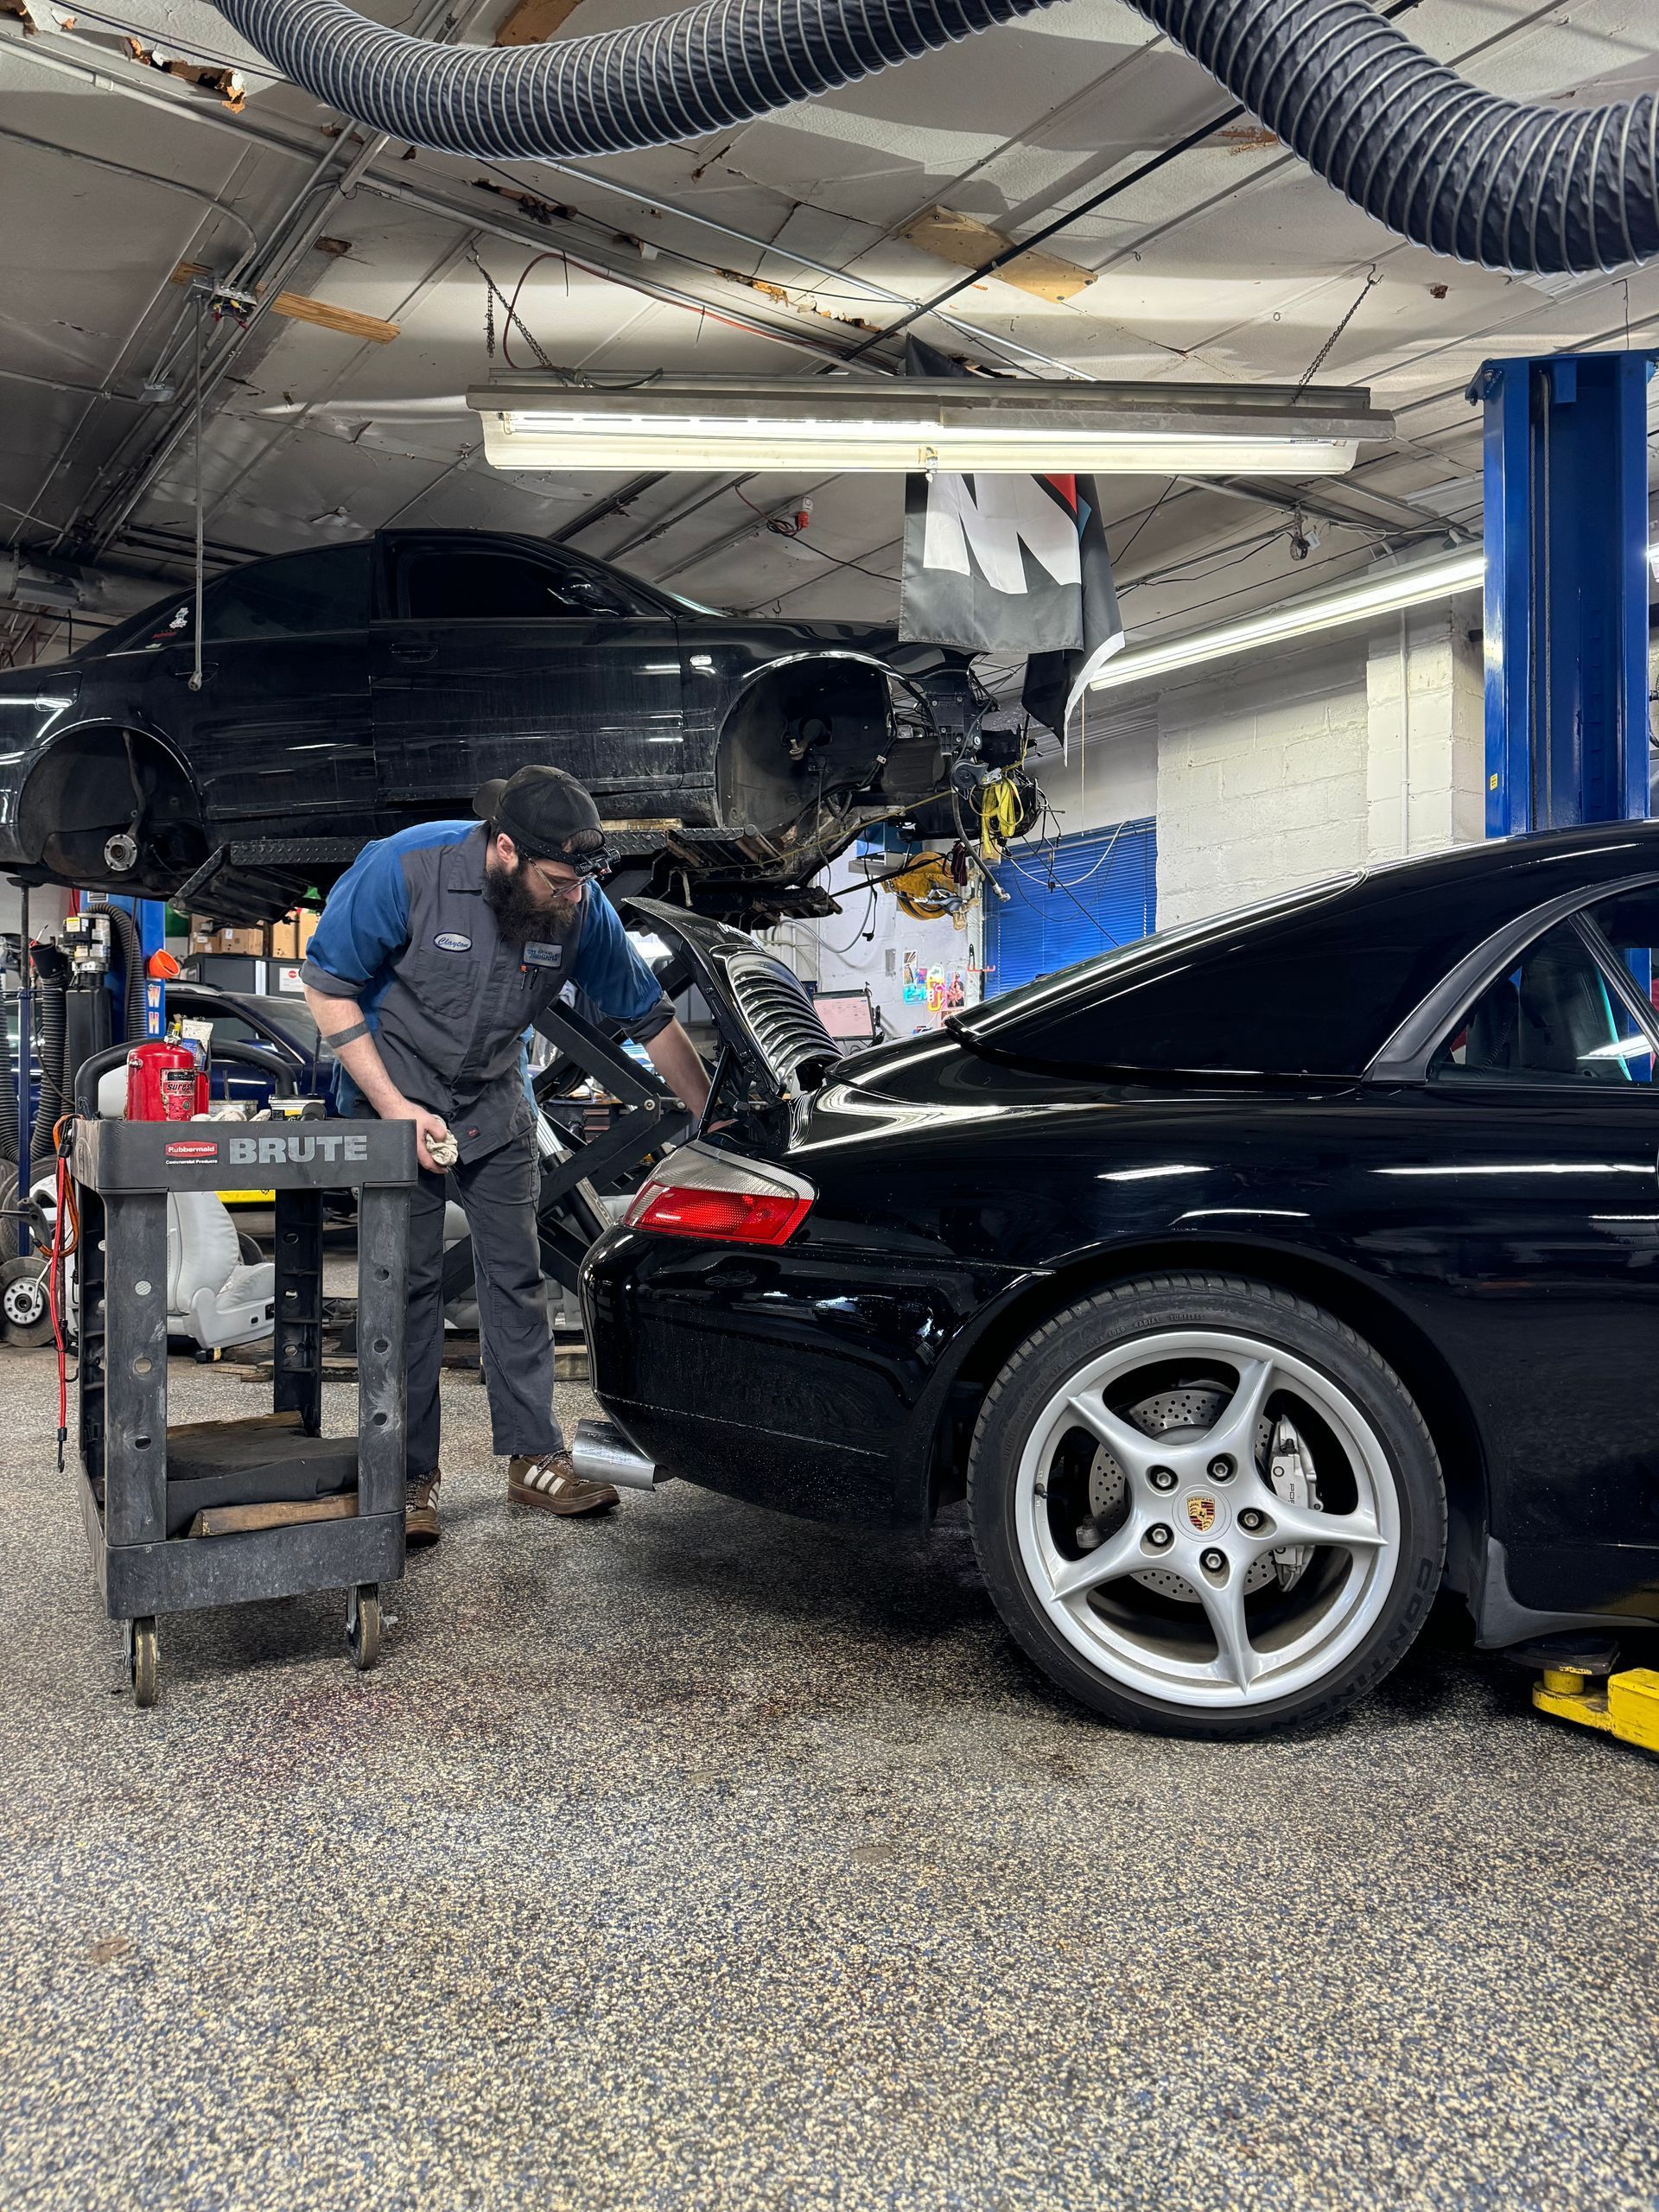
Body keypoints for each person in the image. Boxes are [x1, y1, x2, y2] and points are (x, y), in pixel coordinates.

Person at [300, 766, 709, 1548]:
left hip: (493, 1103)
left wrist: (712, 1122)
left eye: (582, 883)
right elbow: (326, 986)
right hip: (394, 1096)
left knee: (517, 1277)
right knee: (408, 1288)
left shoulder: (578, 903)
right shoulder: (406, 868)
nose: (574, 898)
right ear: (506, 850)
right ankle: (407, 1471)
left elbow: (650, 1017)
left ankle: (533, 1456)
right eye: (559, 881)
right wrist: (394, 1107)